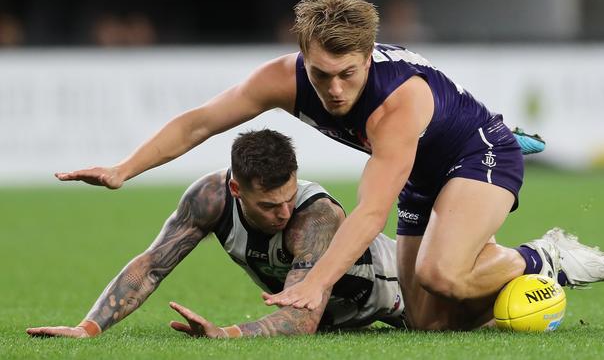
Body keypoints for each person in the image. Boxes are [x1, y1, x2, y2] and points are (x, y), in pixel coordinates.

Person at [53, 0, 604, 330]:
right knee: (426, 321)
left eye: (348, 74)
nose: (333, 91)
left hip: (477, 151)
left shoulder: (397, 103)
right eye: (320, 75)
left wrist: (317, 283)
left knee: (441, 275)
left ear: (367, 56)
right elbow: (199, 122)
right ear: (302, 57)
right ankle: (504, 281)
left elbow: (368, 212)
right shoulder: (282, 78)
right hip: (421, 167)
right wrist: (125, 168)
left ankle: (546, 258)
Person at [27, 130, 406, 338]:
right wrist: (88, 327)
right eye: (269, 206)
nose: (284, 213)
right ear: (237, 190)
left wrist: (226, 334)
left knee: (456, 319)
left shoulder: (316, 218)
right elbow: (153, 265)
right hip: (343, 317)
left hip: (404, 290)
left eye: (289, 199)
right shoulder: (209, 199)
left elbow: (301, 321)